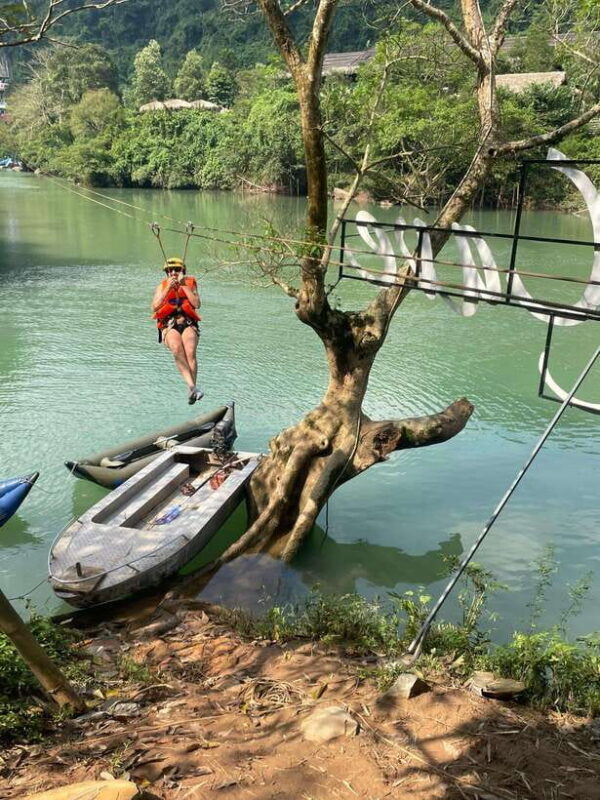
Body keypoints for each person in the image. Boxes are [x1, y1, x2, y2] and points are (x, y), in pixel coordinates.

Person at [152, 256, 204, 404]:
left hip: (187, 322)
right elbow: (155, 306)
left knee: (190, 351)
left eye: (177, 270)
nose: (173, 273)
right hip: (169, 324)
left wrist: (184, 286)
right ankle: (192, 387)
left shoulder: (190, 283)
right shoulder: (162, 286)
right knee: (176, 348)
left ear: (183, 271)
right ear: (167, 273)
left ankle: (192, 389)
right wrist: (168, 288)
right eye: (170, 270)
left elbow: (196, 304)